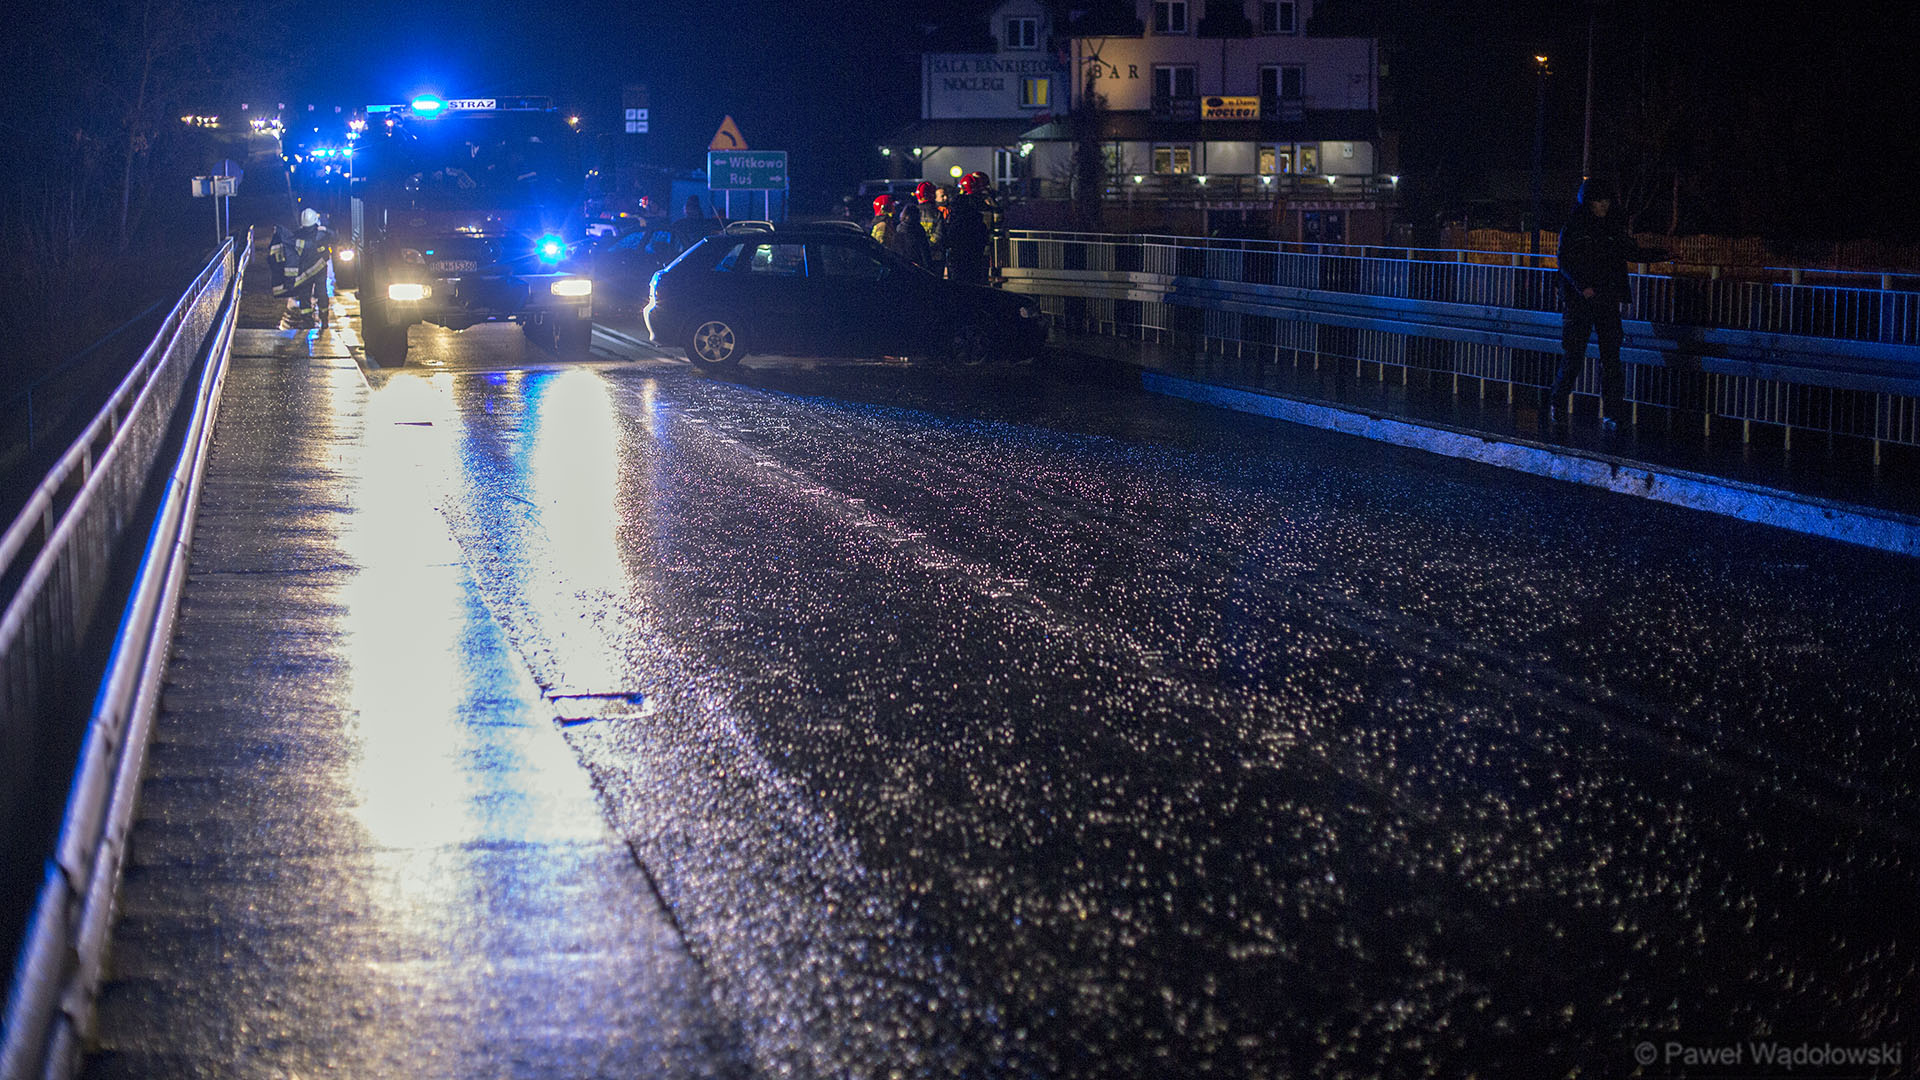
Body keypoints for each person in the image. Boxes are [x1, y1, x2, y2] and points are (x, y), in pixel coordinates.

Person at [1545, 177, 1663, 428]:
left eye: (1606, 200)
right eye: (1598, 201)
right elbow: (1564, 261)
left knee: (1611, 358)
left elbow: (1632, 251)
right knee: (1574, 356)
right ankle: (1558, 403)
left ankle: (1612, 413)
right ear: (1587, 202)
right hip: (1579, 302)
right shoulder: (1574, 226)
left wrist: (1662, 255)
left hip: (1606, 298)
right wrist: (1582, 287)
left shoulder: (1612, 227)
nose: (1603, 205)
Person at [274, 208, 332, 329]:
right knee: (310, 295)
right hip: (313, 270)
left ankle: (317, 320)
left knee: (315, 294)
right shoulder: (318, 234)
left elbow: (335, 237)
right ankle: (316, 320)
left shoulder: (318, 234)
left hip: (310, 272)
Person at [945, 172, 993, 286]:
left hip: (957, 254)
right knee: (978, 282)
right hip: (978, 252)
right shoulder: (982, 208)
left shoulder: (956, 211)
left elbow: (950, 233)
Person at [888, 200, 933, 268]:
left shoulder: (899, 227)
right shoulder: (919, 229)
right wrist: (928, 265)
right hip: (917, 264)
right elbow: (924, 249)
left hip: (902, 263)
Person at [913, 181, 945, 275]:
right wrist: (929, 245)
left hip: (918, 255)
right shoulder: (937, 213)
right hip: (936, 256)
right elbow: (939, 234)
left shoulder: (913, 212)